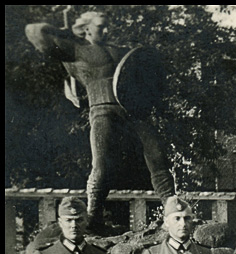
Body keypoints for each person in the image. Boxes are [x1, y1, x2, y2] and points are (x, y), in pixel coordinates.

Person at [25, 12, 175, 229]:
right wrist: (63, 32)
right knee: (102, 166)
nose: (106, 31)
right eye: (100, 27)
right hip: (102, 110)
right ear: (87, 28)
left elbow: (146, 70)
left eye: (107, 26)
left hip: (133, 111)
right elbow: (34, 32)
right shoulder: (74, 50)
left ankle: (172, 208)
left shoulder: (120, 50)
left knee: (158, 158)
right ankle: (94, 216)